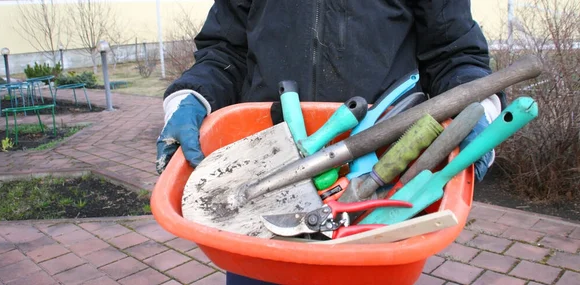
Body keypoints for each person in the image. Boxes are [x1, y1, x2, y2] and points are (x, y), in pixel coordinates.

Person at [156, 1, 503, 284]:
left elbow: (455, 55)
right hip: (263, 200)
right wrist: (191, 96)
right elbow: (223, 51)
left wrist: (478, 111)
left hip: (380, 189)